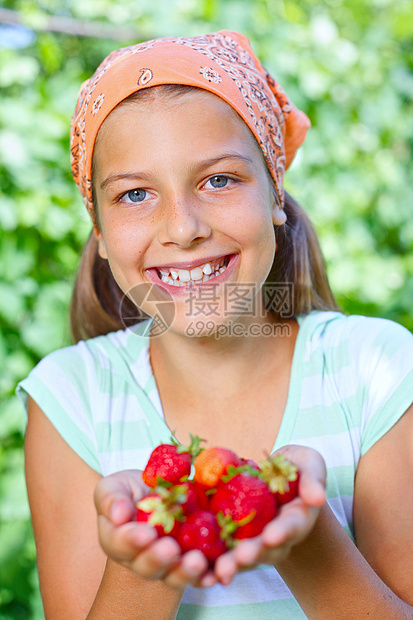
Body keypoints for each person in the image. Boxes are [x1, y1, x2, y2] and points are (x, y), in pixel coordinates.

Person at [16, 30, 413, 619]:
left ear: (275, 193)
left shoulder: (378, 370)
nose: (182, 228)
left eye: (219, 180)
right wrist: (143, 566)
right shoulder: (71, 401)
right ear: (98, 232)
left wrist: (309, 547)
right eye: (133, 194)